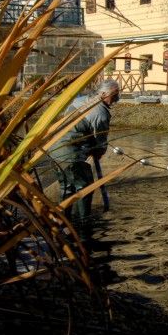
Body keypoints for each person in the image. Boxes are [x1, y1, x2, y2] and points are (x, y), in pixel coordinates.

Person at [51, 80, 120, 234]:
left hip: (54, 149)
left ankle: (63, 222)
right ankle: (84, 224)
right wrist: (96, 151)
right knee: (86, 187)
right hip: (70, 153)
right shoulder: (101, 113)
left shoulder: (80, 101)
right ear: (103, 94)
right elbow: (100, 145)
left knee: (67, 187)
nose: (116, 99)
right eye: (114, 95)